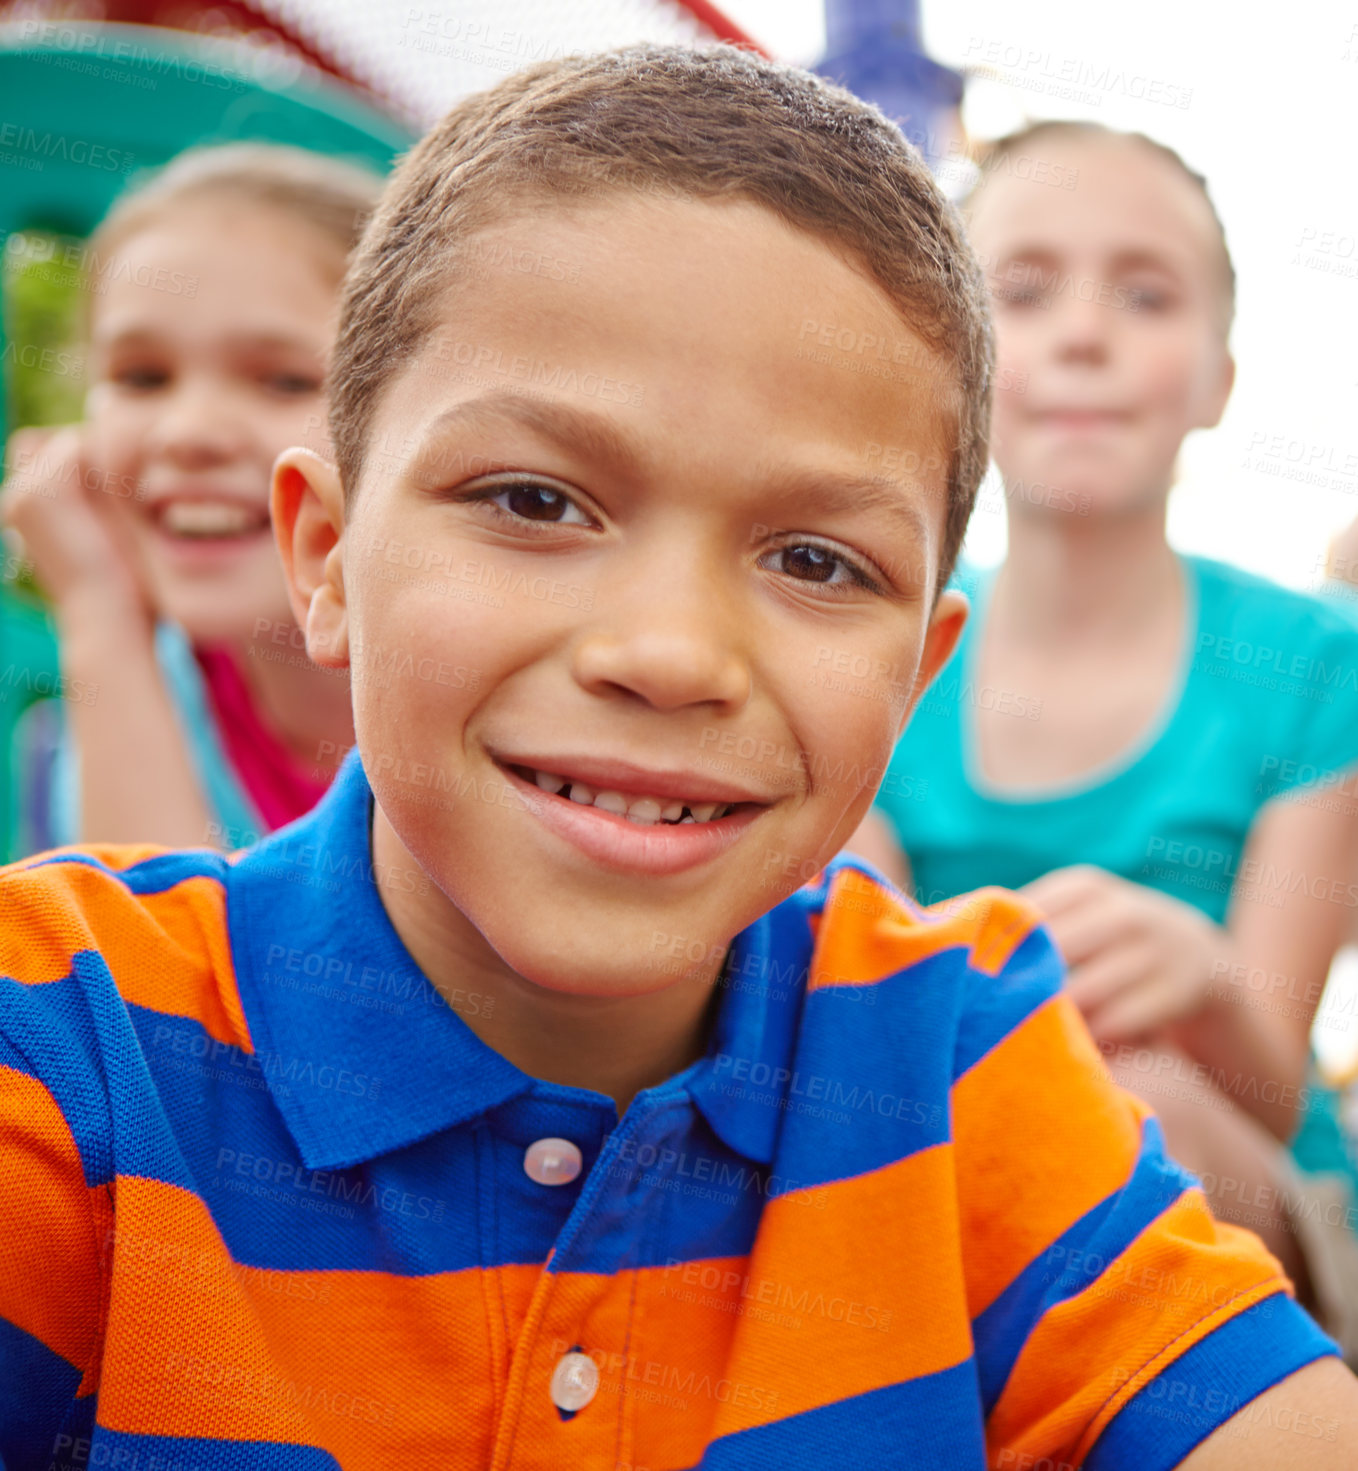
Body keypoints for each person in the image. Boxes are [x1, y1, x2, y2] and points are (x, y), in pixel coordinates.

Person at [1, 48, 1356, 1471]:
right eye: (534, 498)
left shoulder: (955, 1061)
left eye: (815, 558)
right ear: (326, 558)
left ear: (913, 676)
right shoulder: (72, 1050)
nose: (670, 650)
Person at [854, 119, 1358, 1356]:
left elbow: (1271, 1086)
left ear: (1214, 376)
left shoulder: (1314, 664)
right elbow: (851, 1010)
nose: (1082, 332)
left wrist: (1198, 980)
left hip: (1245, 1191)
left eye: (1144, 293)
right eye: (1021, 291)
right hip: (938, 1152)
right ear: (953, 357)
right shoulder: (871, 644)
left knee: (1135, 1104)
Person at [0, 144, 381, 854]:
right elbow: (138, 954)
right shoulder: (116, 700)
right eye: (143, 377)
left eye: (285, 381)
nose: (188, 432)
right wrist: (99, 609)